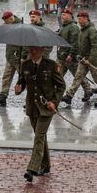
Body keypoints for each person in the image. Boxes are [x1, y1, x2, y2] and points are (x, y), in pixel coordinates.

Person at [14, 45, 66, 182]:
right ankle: (46, 165)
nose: (32, 52)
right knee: (41, 137)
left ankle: (32, 169)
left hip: (46, 108)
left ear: (42, 50)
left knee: (38, 136)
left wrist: (54, 102)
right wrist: (18, 89)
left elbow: (61, 86)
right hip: (32, 107)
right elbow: (22, 84)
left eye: (35, 50)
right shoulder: (25, 65)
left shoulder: (50, 65)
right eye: (30, 49)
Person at [68, 11, 97, 108]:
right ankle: (69, 96)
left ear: (86, 18)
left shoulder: (92, 30)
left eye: (81, 19)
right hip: (83, 60)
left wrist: (90, 60)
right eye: (78, 19)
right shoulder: (82, 30)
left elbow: (95, 47)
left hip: (92, 61)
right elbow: (81, 45)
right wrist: (79, 56)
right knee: (78, 77)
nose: (79, 21)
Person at [57, 8, 92, 105]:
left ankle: (88, 91)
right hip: (61, 57)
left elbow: (75, 43)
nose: (62, 16)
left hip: (70, 58)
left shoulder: (73, 27)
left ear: (70, 16)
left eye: (64, 15)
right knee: (57, 76)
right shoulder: (63, 27)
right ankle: (55, 95)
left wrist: (71, 54)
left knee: (78, 76)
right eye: (62, 15)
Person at [0, 11, 23, 107]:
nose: (5, 23)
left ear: (11, 19)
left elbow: (25, 44)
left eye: (6, 21)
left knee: (25, 79)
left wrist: (24, 57)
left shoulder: (21, 27)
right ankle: (3, 96)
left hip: (19, 57)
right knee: (6, 77)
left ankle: (31, 99)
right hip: (10, 57)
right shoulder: (9, 26)